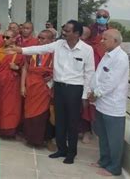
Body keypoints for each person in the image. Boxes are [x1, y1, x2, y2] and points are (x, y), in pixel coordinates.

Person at [6, 20, 95, 164]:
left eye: (67, 31)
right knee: (60, 120)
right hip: (59, 87)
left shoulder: (86, 49)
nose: (64, 33)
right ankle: (61, 150)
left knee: (72, 123)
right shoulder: (59, 44)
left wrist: (85, 95)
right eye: (64, 30)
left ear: (77, 33)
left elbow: (90, 73)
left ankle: (71, 153)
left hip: (75, 89)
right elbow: (39, 49)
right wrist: (20, 50)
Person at [87, 29, 129, 177]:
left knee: (114, 139)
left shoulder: (121, 58)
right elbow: (99, 76)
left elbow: (111, 82)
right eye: (102, 38)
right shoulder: (107, 55)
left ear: (115, 41)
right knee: (103, 136)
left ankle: (114, 167)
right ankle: (104, 160)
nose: (101, 41)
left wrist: (96, 94)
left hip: (113, 105)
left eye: (105, 39)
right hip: (101, 103)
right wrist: (92, 91)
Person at [21, 30, 54, 148]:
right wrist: (22, 86)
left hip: (45, 88)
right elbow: (25, 68)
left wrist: (51, 78)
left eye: (44, 38)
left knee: (44, 114)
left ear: (51, 41)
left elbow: (58, 70)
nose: (40, 40)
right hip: (31, 86)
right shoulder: (33, 51)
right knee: (30, 113)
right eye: (39, 38)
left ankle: (45, 139)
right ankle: (31, 138)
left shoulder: (54, 53)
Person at [0, 30, 24, 138]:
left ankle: (12, 131)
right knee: (0, 106)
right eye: (4, 37)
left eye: (8, 37)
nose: (5, 39)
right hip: (0, 83)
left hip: (13, 84)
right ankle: (1, 130)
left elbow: (25, 69)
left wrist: (17, 68)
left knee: (12, 107)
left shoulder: (20, 52)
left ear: (14, 38)